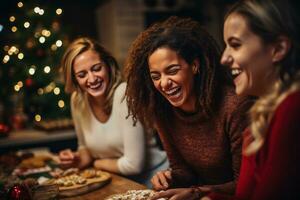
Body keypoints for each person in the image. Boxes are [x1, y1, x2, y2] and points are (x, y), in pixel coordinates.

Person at [124, 16, 254, 199]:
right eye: (155, 76)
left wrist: (196, 192)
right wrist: (170, 177)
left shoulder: (234, 107)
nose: (164, 83)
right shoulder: (162, 110)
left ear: (194, 66)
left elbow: (244, 185)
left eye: (172, 70)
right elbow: (182, 170)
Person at [204, 0, 300, 199]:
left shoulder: (292, 107)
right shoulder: (263, 113)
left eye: (235, 45)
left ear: (279, 48)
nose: (224, 58)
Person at [59, 37, 168, 187]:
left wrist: (97, 163)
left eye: (97, 68)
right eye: (82, 75)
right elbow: (84, 148)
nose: (91, 79)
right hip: (117, 181)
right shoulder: (77, 100)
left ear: (108, 66)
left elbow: (134, 165)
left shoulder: (125, 94)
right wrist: (75, 159)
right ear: (75, 79)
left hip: (156, 180)